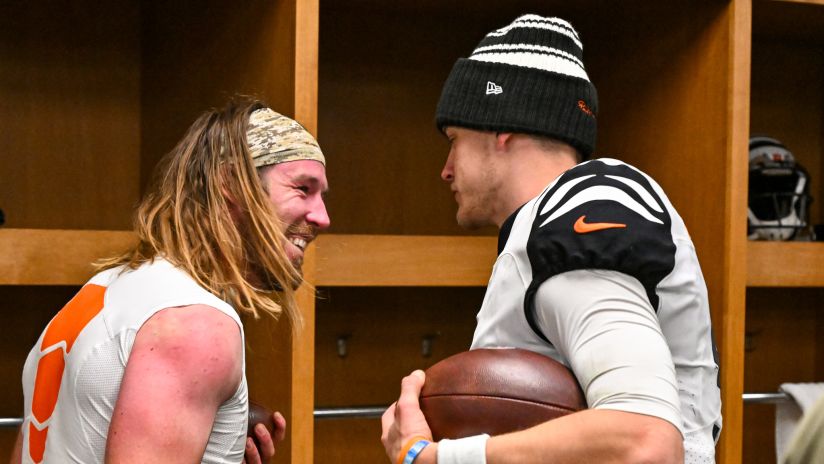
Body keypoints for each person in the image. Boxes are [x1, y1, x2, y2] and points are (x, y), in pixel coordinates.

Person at [381, 14, 721, 464]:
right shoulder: (542, 226)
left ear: (500, 129)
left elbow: (646, 442)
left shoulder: (577, 215)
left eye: (454, 139)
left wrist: (429, 457)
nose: (445, 168)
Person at [12, 99, 330, 464]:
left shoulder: (106, 289)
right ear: (231, 184)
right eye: (303, 189)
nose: (322, 216)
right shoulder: (197, 325)